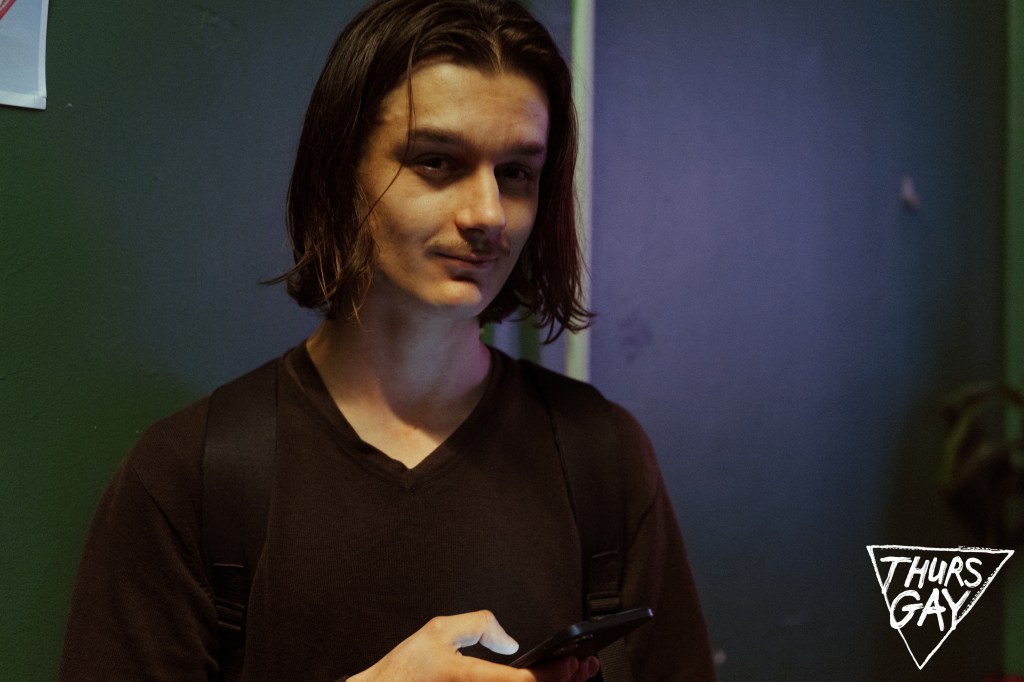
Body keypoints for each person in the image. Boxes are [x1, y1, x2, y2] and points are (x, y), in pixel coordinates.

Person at [58, 0, 714, 680]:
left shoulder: (602, 461)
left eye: (516, 173)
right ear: (341, 172)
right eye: (437, 162)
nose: (487, 213)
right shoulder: (191, 477)